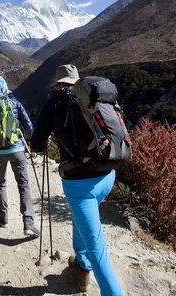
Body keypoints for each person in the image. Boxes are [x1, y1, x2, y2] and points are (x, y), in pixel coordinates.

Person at [30, 64, 124, 296]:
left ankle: (111, 291)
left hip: (80, 184)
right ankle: (81, 264)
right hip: (107, 175)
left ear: (59, 83)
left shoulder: (53, 103)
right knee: (82, 219)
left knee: (97, 248)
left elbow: (37, 145)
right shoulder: (94, 99)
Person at [0, 76, 40, 238]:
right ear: (6, 88)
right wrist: (25, 140)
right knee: (23, 184)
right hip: (17, 150)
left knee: (0, 183)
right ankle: (28, 223)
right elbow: (28, 127)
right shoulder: (15, 103)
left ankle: (3, 218)